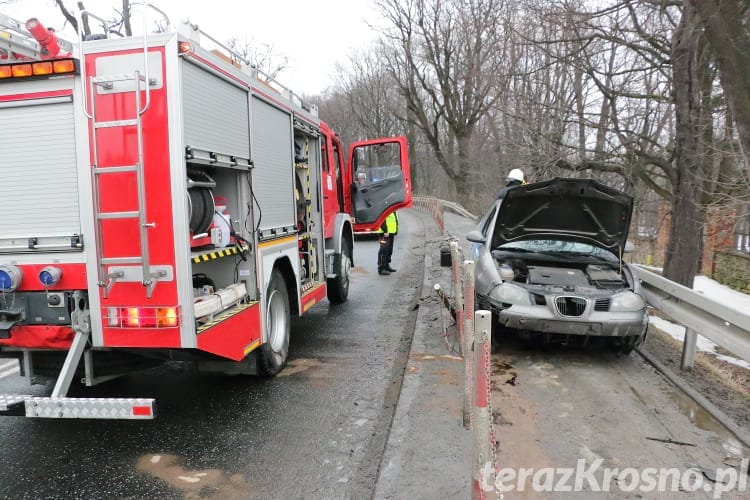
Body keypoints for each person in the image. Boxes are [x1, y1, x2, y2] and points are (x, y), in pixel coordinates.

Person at [377, 211, 399, 275]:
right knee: (383, 251)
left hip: (390, 233)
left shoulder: (392, 208)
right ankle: (381, 268)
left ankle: (386, 266)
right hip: (384, 233)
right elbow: (382, 219)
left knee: (389, 251)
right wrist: (385, 230)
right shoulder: (385, 207)